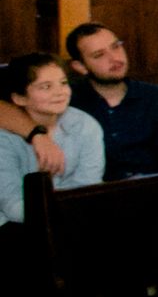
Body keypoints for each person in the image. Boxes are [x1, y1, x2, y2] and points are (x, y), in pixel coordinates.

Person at [63, 23, 158, 177]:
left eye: (116, 47)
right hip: (96, 193)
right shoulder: (68, 101)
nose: (114, 58)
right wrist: (37, 135)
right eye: (99, 55)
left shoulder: (154, 96)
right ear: (80, 66)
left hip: (152, 188)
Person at [2, 53, 105, 223]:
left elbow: (88, 186)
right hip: (16, 225)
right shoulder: (5, 139)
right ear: (19, 98)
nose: (60, 92)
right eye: (46, 87)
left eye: (63, 83)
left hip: (75, 217)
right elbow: (12, 206)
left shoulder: (84, 125)